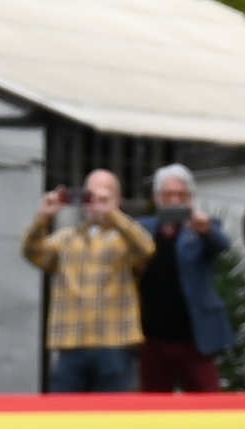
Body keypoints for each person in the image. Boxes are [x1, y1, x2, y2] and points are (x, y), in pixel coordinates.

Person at [25, 167, 151, 395]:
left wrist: (113, 214)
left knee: (112, 421)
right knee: (64, 418)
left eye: (105, 195)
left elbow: (147, 248)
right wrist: (44, 217)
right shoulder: (66, 238)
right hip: (72, 344)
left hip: (114, 344)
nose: (96, 201)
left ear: (118, 199)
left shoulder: (126, 238)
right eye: (90, 194)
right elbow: (33, 252)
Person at [134, 163, 237, 392]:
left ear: (190, 198)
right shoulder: (143, 228)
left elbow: (221, 245)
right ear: (158, 198)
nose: (174, 201)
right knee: (154, 409)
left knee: (206, 406)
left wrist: (205, 229)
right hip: (153, 337)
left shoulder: (202, 227)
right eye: (169, 195)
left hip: (194, 337)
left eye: (181, 195)